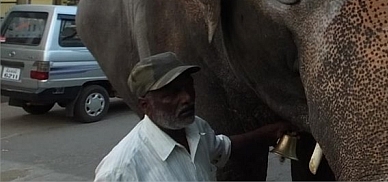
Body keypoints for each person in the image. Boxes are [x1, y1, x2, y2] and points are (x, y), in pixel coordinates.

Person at [94, 52, 295, 181]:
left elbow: (223, 148)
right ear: (145, 105)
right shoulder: (120, 170)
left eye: (189, 86)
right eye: (172, 93)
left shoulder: (196, 129)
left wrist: (269, 133)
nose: (187, 98)